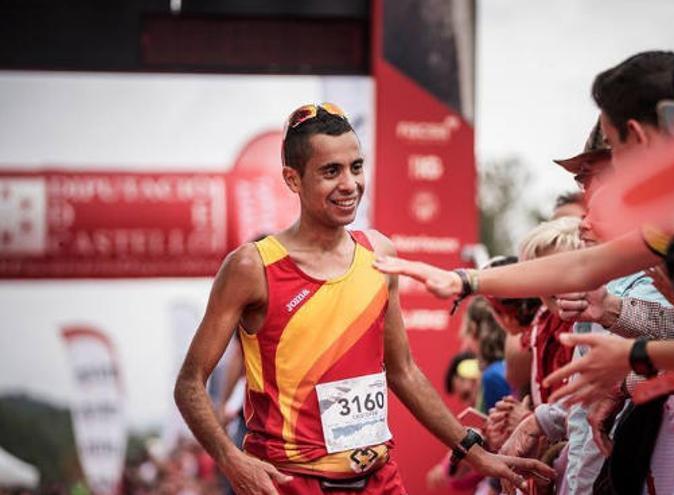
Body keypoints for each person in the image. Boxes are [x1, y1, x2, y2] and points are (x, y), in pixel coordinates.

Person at [174, 103, 553, 495]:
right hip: (289, 484)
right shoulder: (253, 266)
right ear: (292, 179)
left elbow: (402, 370)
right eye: (330, 171)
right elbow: (189, 383)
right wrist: (230, 458)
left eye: (356, 167)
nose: (350, 184)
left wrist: (473, 451)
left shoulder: (377, 253)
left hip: (378, 480)